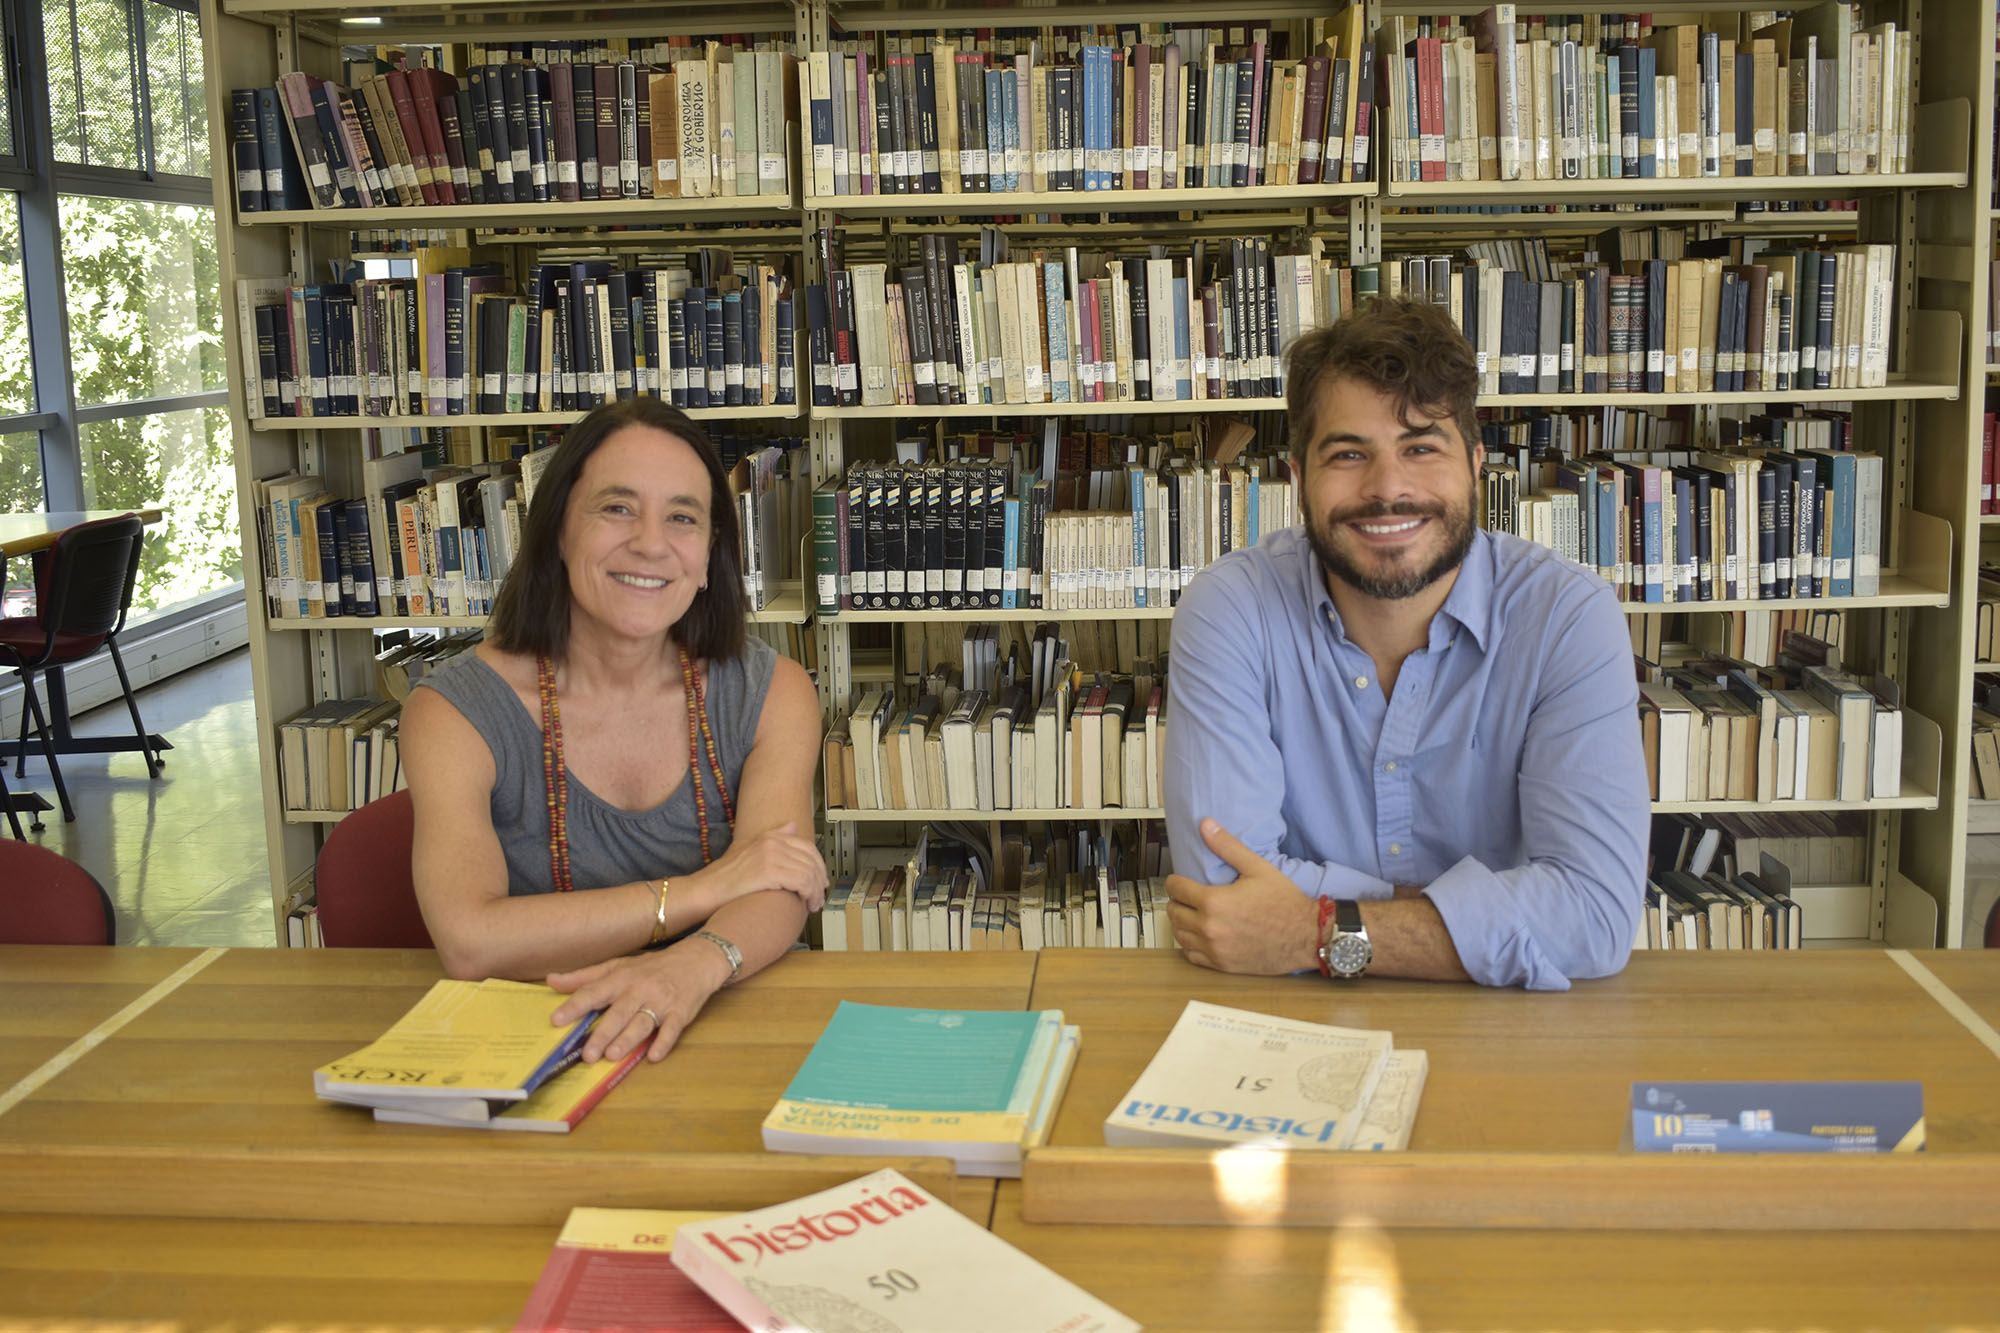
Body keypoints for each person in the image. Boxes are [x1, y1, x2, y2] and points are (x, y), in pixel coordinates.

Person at [1162, 297, 1648, 991]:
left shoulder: (1570, 620)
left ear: (1476, 464)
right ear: (1299, 478)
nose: (1388, 488)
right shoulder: (1231, 610)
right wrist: (1489, 915)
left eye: (1421, 446)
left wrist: (1313, 928)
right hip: (1288, 1021)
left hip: (1507, 1039)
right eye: (1348, 453)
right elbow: (1221, 887)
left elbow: (1594, 918)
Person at [403, 397, 828, 1063]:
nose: (651, 543)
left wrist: (692, 965)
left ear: (709, 550)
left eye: (682, 517)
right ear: (559, 529)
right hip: (551, 1039)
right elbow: (470, 940)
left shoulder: (775, 691)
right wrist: (705, 890)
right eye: (618, 507)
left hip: (732, 1012)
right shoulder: (454, 712)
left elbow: (781, 885)